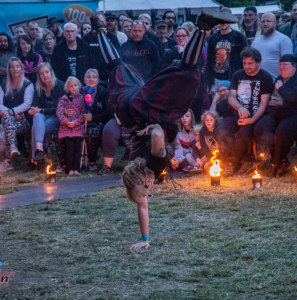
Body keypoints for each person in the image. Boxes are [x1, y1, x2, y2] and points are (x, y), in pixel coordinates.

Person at [90, 10, 238, 248]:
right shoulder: (134, 171)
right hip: (130, 104)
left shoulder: (154, 167)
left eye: (147, 190)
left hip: (150, 112)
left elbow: (158, 134)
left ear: (144, 183)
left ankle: (202, 27)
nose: (150, 192)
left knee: (188, 74)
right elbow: (141, 205)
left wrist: (152, 130)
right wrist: (145, 239)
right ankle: (97, 27)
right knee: (117, 66)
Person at [214, 47, 274, 177]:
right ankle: (245, 159)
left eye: (250, 63)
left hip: (257, 116)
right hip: (238, 114)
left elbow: (264, 102)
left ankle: (231, 162)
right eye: (244, 63)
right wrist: (239, 107)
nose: (246, 66)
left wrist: (252, 119)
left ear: (258, 62)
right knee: (220, 130)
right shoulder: (238, 75)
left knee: (244, 133)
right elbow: (231, 97)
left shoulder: (265, 77)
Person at [254, 54, 297, 177]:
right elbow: (275, 98)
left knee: (282, 131)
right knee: (260, 128)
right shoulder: (279, 78)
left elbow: (293, 97)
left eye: (285, 65)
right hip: (276, 112)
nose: (281, 67)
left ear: (294, 66)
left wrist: (281, 87)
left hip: (294, 114)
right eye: (279, 65)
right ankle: (281, 160)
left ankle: (275, 165)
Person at [0, 57, 34, 172]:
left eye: (17, 66)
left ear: (21, 68)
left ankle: (7, 162)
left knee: (5, 125)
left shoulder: (28, 85)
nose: (15, 69)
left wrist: (10, 112)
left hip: (24, 121)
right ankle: (12, 149)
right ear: (9, 70)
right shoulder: (4, 85)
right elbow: (0, 104)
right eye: (12, 67)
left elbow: (26, 104)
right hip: (9, 121)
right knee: (6, 122)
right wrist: (11, 115)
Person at [27, 63, 64, 165]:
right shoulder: (38, 88)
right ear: (39, 76)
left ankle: (34, 160)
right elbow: (37, 108)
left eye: (47, 72)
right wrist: (34, 110)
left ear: (51, 72)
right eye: (41, 74)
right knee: (37, 116)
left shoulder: (60, 86)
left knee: (36, 128)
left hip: (57, 116)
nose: (45, 75)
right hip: (43, 117)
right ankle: (39, 148)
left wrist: (41, 110)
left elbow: (58, 109)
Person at [205, 16, 248, 97]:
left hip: (233, 78)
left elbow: (245, 60)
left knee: (233, 105)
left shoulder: (239, 37)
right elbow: (209, 62)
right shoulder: (212, 38)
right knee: (216, 106)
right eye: (221, 19)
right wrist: (208, 82)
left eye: (226, 19)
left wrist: (242, 80)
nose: (223, 22)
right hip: (215, 79)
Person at [252, 13, 293, 81]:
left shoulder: (283, 40)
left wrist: (282, 84)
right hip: (257, 82)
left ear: (275, 23)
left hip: (277, 83)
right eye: (262, 21)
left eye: (268, 21)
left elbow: (288, 65)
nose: (265, 24)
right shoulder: (255, 41)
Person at [56, 76, 84, 176]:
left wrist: (76, 122)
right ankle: (69, 169)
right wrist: (66, 121)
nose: (74, 88)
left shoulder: (81, 99)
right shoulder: (63, 99)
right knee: (69, 148)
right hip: (66, 129)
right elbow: (59, 112)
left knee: (77, 148)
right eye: (71, 86)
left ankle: (76, 168)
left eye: (75, 85)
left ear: (79, 86)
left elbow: (83, 113)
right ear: (67, 88)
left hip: (78, 128)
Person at [82, 12, 120, 82]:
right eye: (96, 22)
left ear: (105, 22)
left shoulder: (112, 37)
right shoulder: (86, 38)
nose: (99, 24)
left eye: (101, 22)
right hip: (92, 77)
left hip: (109, 77)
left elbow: (118, 56)